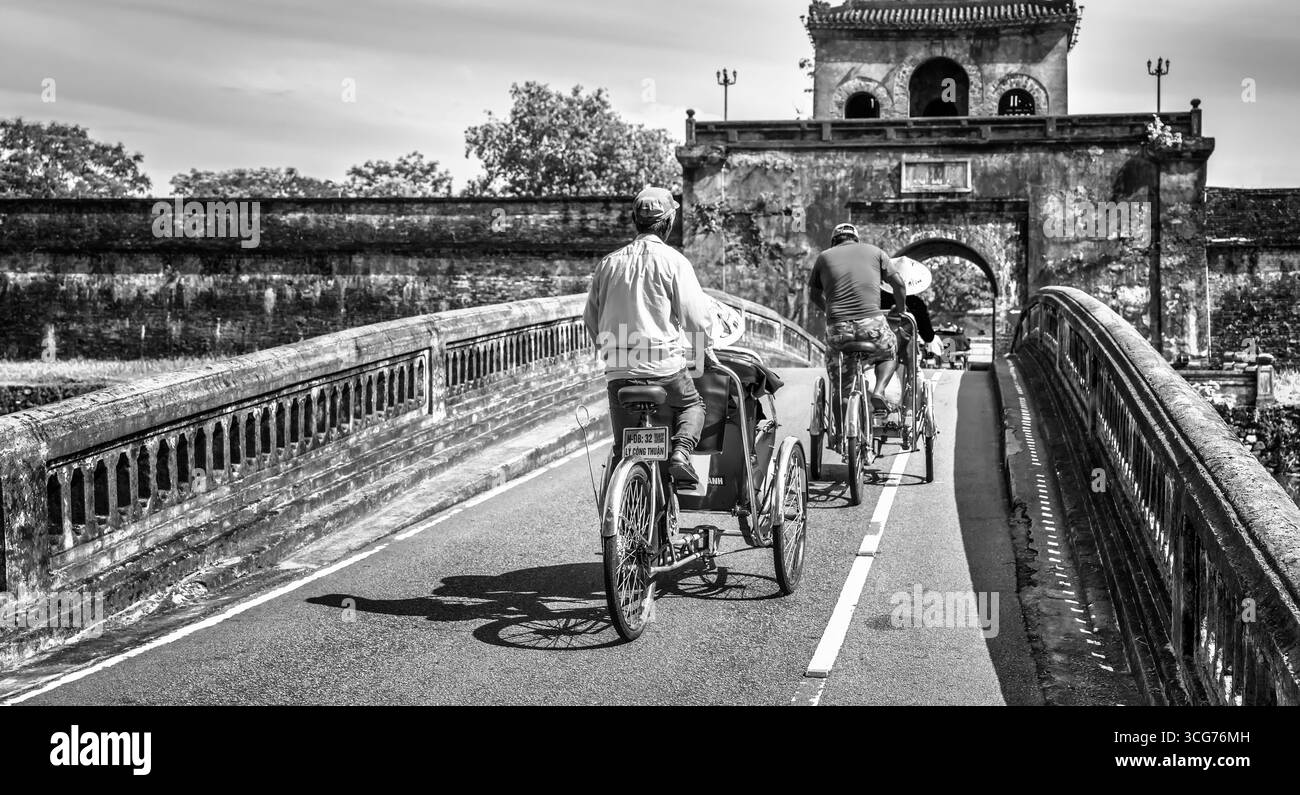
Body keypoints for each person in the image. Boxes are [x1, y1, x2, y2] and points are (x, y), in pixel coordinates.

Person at [584, 187, 712, 487]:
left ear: (634, 220)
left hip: (619, 370)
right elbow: (696, 320)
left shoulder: (608, 264)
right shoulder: (674, 261)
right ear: (668, 223)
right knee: (694, 406)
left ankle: (618, 511)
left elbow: (591, 319)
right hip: (664, 369)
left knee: (622, 449)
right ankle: (680, 452)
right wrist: (701, 353)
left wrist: (612, 353)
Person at [807, 223, 908, 446]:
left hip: (839, 331)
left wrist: (830, 312)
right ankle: (879, 391)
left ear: (834, 241)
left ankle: (843, 434)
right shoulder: (876, 253)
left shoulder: (824, 257)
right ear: (856, 239)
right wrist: (900, 310)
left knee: (840, 384)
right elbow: (899, 284)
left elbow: (813, 294)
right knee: (890, 352)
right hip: (872, 325)